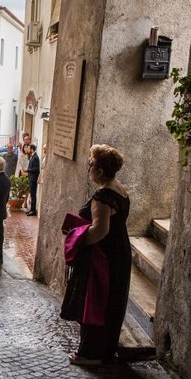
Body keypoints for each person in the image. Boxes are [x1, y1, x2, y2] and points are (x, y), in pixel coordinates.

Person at [69, 144, 131, 366]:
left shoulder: (103, 196)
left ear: (100, 170)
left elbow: (99, 231)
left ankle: (91, 353)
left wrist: (76, 239)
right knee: (113, 301)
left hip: (104, 257)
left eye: (91, 165)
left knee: (96, 302)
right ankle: (105, 350)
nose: (89, 169)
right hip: (120, 252)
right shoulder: (119, 188)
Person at [24, 144, 40, 216]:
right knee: (31, 194)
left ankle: (33, 211)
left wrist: (28, 170)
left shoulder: (36, 157)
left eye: (29, 148)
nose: (28, 150)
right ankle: (31, 209)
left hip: (33, 178)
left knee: (33, 194)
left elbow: (37, 169)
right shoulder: (32, 156)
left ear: (32, 149)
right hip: (31, 178)